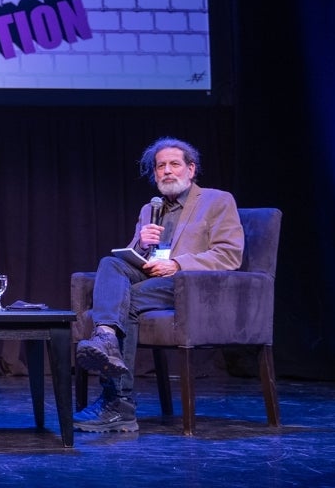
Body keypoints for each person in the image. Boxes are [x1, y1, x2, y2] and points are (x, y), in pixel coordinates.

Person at [73, 136, 244, 433]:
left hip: (190, 284)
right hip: (151, 279)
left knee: (122, 306)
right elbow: (134, 260)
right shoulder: (149, 209)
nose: (167, 171)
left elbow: (229, 255)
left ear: (191, 169)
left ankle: (119, 404)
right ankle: (106, 337)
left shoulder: (218, 200)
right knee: (110, 263)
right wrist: (140, 243)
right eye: (160, 166)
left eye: (174, 164)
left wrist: (178, 264)